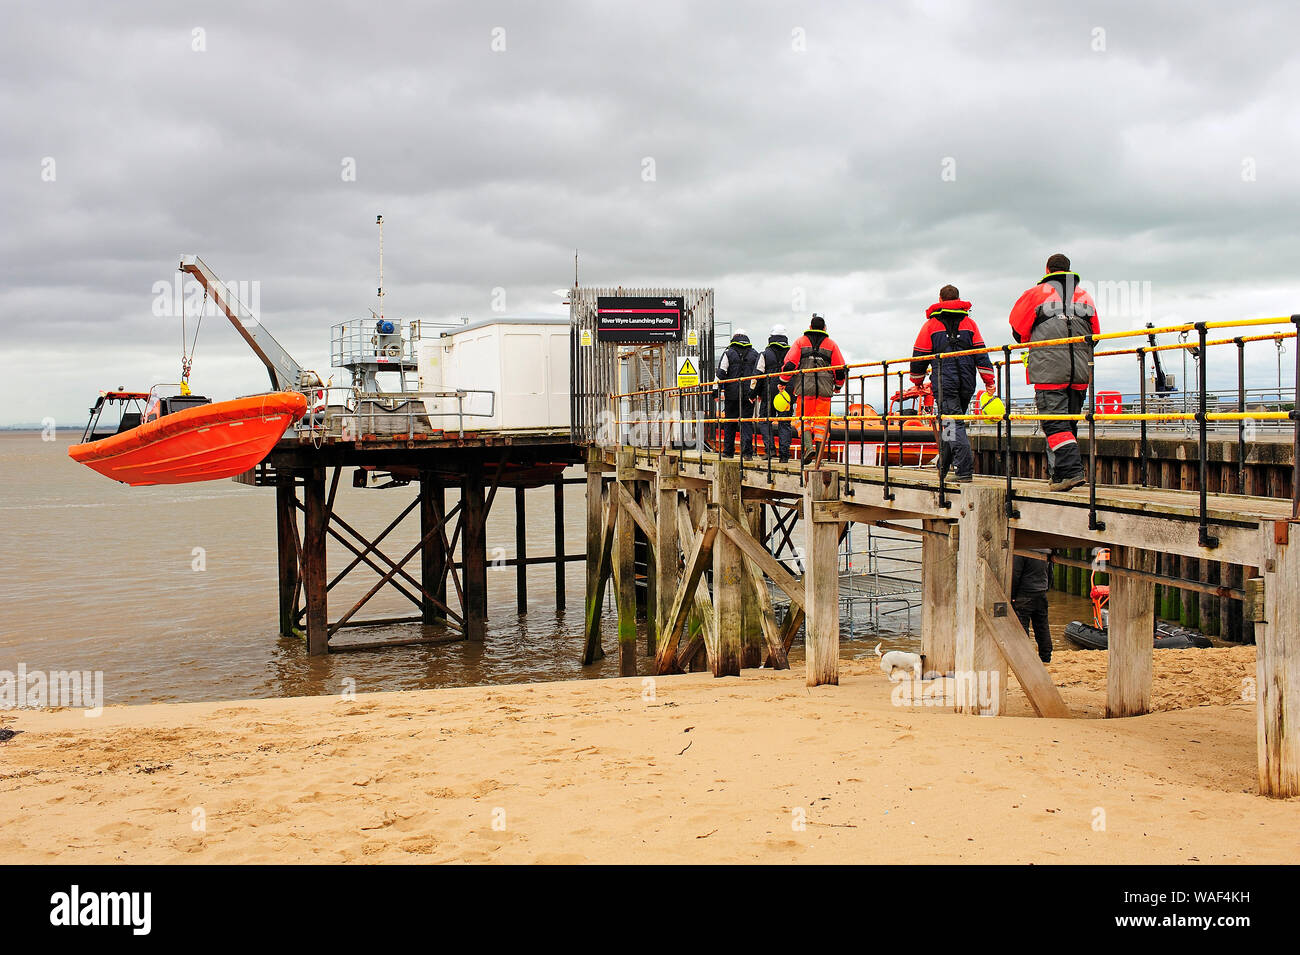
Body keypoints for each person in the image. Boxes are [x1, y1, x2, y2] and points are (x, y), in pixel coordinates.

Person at [1008, 253, 1100, 492]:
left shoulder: (1035, 294)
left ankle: (1071, 473)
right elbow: (1095, 335)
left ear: (1047, 269)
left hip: (1049, 370)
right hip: (1080, 372)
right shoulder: (1086, 296)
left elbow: (1018, 331)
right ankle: (1059, 476)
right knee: (1069, 424)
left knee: (1055, 425)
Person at [909, 285, 997, 483]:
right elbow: (981, 355)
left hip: (944, 379)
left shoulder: (930, 325)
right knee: (950, 422)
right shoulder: (970, 324)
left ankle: (964, 470)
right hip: (967, 380)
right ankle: (944, 466)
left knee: (952, 423)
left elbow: (919, 357)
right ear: (958, 299)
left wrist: (917, 381)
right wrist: (989, 381)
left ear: (940, 300)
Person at [781, 314, 847, 465]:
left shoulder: (800, 342)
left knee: (802, 419)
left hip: (805, 388)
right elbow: (840, 369)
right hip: (824, 390)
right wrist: (837, 385)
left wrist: (782, 381)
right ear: (824, 328)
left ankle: (808, 447)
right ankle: (818, 456)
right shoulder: (831, 344)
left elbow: (790, 364)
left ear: (810, 327)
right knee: (821, 423)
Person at [751, 325, 793, 462]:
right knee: (784, 422)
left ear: (771, 338)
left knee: (765, 420)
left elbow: (757, 375)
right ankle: (785, 455)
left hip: (769, 390)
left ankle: (770, 450)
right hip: (786, 392)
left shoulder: (764, 354)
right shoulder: (792, 353)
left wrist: (752, 394)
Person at [716, 329, 758, 458]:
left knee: (730, 422)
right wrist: (755, 392)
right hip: (749, 394)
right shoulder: (754, 353)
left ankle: (728, 452)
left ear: (734, 337)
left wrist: (714, 392)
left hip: (732, 394)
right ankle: (747, 453)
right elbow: (758, 374)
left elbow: (721, 373)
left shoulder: (728, 353)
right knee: (746, 422)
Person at [1011, 548, 1053, 663]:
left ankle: (1025, 658)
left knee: (1021, 627)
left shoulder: (1022, 549)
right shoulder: (1045, 550)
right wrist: (1046, 588)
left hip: (1025, 593)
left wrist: (1012, 595)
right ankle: (1046, 657)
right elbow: (1050, 572)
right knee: (1042, 626)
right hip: (1041, 592)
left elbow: (1015, 573)